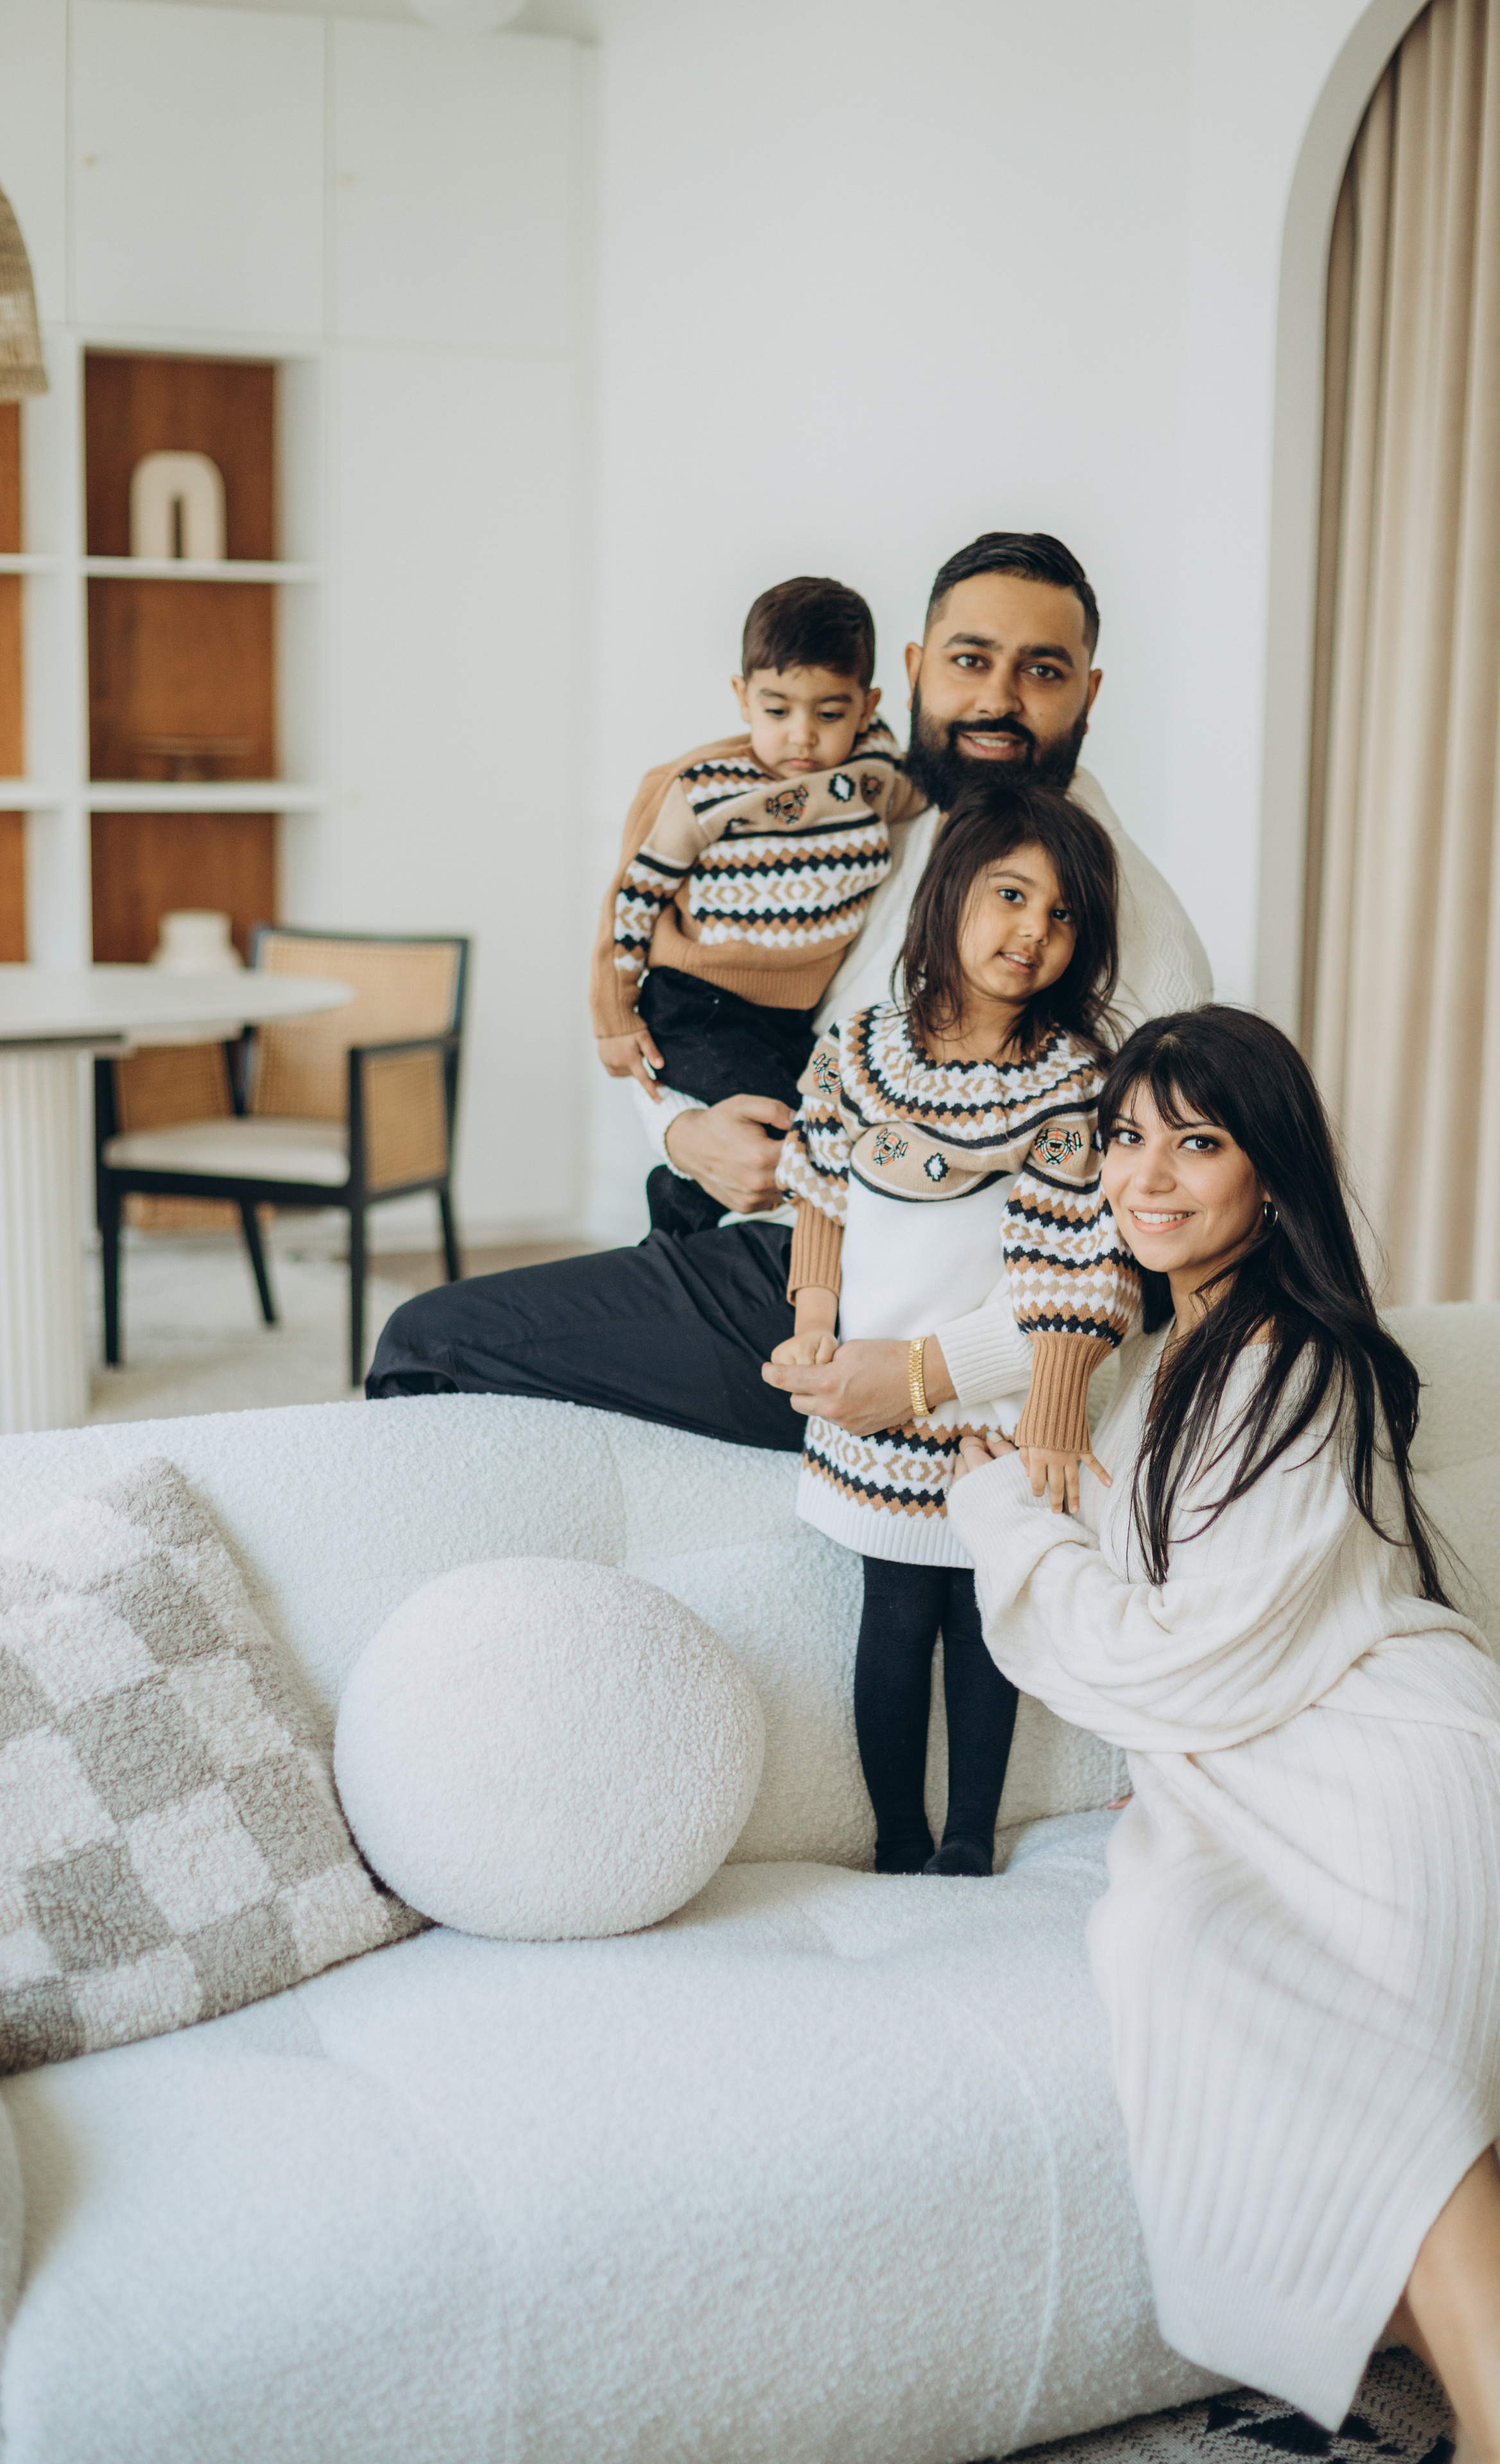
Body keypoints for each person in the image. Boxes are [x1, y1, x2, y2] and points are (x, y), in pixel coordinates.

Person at [945, 1006, 1500, 2455]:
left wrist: (997, 1516)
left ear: (1270, 1178)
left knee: (1397, 2139)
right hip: (1279, 1769)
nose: (1145, 1174)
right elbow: (1184, 1632)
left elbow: (1180, 1652)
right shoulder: (1174, 1361)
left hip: (1394, 1769)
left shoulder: (1296, 1357)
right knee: (1184, 1945)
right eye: (1122, 1137)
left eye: (1196, 1139)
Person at [366, 533, 1211, 1442]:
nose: (997, 700)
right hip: (789, 1232)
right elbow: (707, 990)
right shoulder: (877, 826)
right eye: (971, 661)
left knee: (428, 1341)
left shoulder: (1131, 934)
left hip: (891, 1314)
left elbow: (1142, 1254)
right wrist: (686, 1131)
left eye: (1042, 671)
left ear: (1088, 692)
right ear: (919, 671)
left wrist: (921, 1374)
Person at [773, 776, 1136, 1876]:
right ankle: (897, 1844)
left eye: (1064, 914)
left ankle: (970, 1842)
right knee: (892, 1619)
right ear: (947, 897)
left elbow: (1072, 1272)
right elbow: (821, 1198)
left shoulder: (1073, 1088)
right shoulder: (858, 1050)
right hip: (868, 1410)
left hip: (990, 1415)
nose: (1034, 931)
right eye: (1011, 895)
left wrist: (1055, 1421)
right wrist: (813, 1320)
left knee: (984, 1621)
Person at [589, 576, 921, 1238]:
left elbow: (932, 799)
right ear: (742, 699)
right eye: (777, 711)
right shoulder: (704, 790)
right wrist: (613, 1017)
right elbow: (632, 900)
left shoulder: (876, 775)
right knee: (761, 1130)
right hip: (700, 1002)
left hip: (791, 1017)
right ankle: (671, 1250)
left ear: (867, 705)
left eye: (829, 714)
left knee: (810, 1135)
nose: (802, 737)